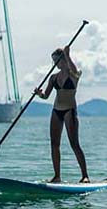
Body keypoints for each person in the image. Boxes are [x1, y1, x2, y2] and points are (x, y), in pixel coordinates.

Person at [34, 45, 89, 183]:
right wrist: (39, 94)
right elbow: (46, 96)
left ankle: (85, 176)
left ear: (63, 60)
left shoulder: (74, 74)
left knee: (74, 144)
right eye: (54, 61)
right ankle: (57, 176)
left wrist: (68, 55)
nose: (55, 64)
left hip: (70, 110)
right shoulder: (53, 78)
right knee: (54, 144)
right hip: (56, 111)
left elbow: (75, 71)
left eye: (57, 61)